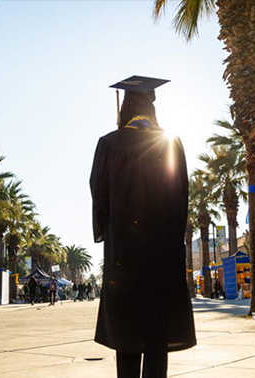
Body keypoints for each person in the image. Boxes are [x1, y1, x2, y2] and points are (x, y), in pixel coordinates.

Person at [90, 75, 196, 378]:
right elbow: (181, 197)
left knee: (126, 331)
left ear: (125, 107)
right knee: (157, 333)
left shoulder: (109, 143)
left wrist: (106, 232)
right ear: (151, 107)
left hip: (123, 253)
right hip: (162, 253)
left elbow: (99, 196)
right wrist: (174, 237)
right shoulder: (171, 142)